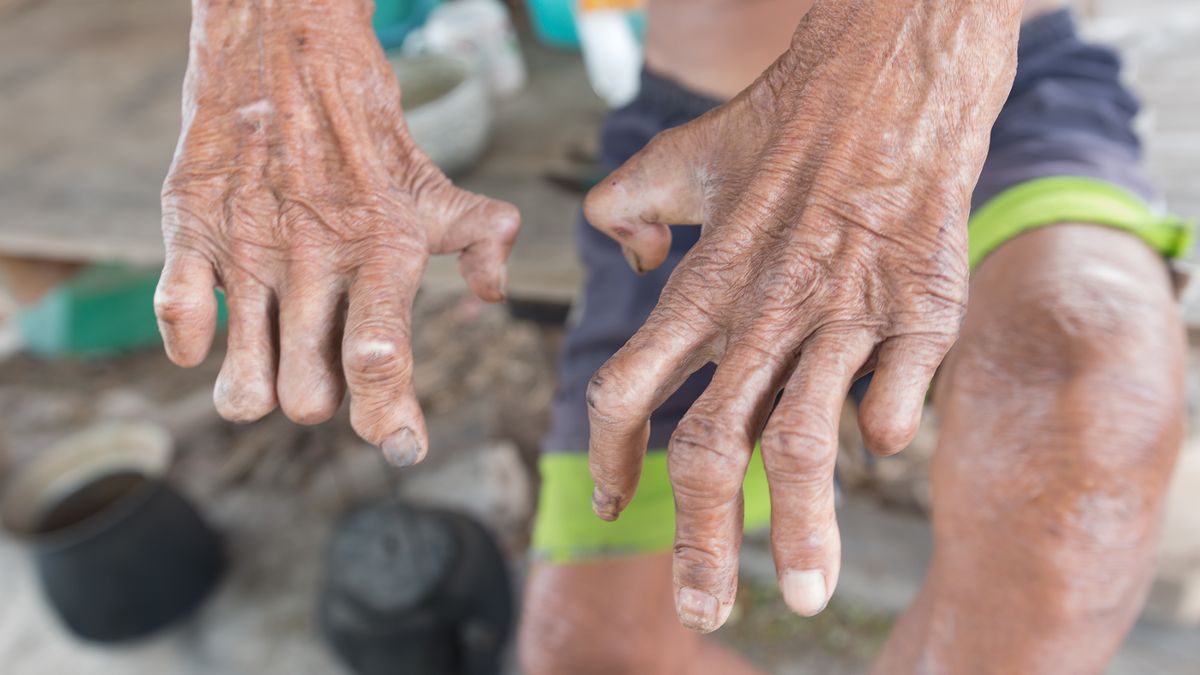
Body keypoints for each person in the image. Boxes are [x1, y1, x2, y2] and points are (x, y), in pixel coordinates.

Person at [155, 1, 1189, 672]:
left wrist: (913, 45)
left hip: (985, 69)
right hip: (703, 127)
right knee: (588, 652)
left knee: (1088, 420)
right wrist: (269, 37)